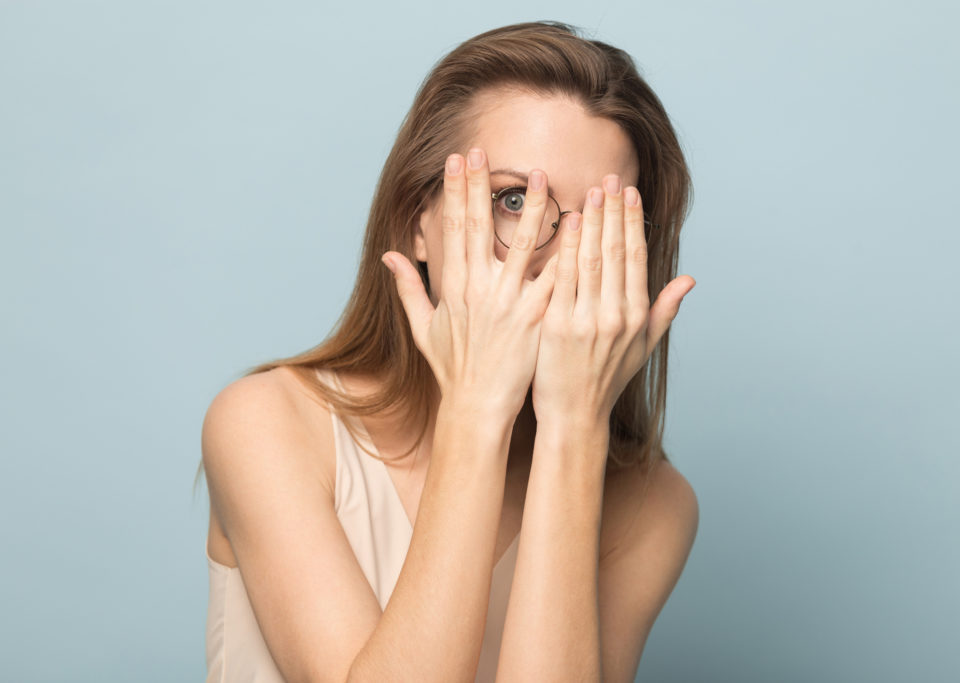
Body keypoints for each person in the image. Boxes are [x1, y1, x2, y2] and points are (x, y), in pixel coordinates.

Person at [199, 20, 699, 683]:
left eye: (605, 223)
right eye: (514, 199)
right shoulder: (267, 423)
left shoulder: (652, 504)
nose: (560, 260)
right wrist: (477, 407)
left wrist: (574, 429)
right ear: (418, 224)